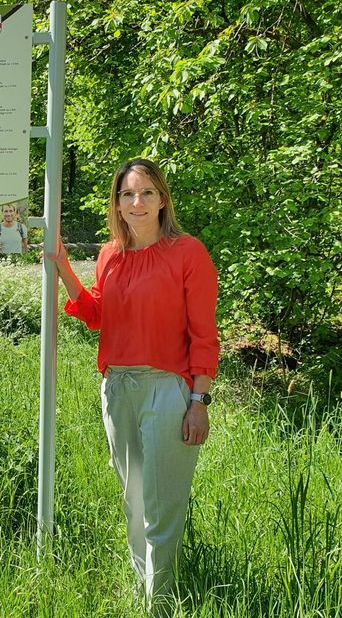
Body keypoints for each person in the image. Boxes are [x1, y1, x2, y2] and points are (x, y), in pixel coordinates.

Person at [47, 158, 219, 610]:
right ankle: (143, 593)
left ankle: (159, 605)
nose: (137, 202)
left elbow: (204, 334)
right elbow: (98, 315)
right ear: (117, 204)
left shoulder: (189, 253)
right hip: (118, 388)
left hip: (168, 390)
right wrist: (63, 266)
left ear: (162, 199)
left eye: (146, 193)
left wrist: (198, 400)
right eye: (127, 194)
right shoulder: (109, 255)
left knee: (163, 507)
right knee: (135, 500)